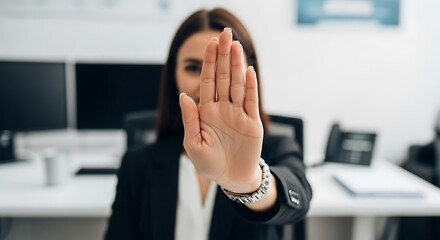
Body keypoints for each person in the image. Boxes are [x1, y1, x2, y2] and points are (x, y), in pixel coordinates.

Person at [105, 8, 312, 240]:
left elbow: (299, 200)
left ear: (247, 70)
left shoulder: (278, 147)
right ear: (173, 74)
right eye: (193, 68)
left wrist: (249, 182)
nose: (208, 83)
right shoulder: (137, 164)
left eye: (222, 67)